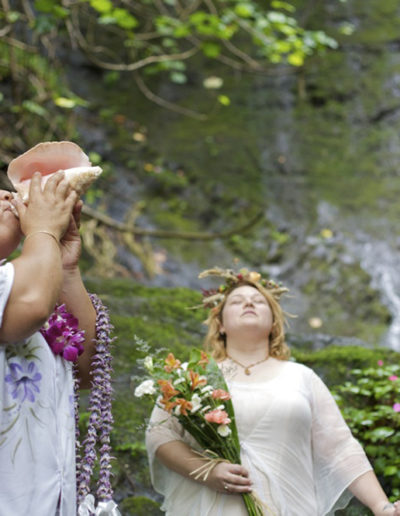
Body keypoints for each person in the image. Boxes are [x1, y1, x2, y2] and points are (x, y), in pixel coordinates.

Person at [145, 268, 400, 515]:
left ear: (274, 323)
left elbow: (340, 448)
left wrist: (382, 507)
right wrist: (206, 472)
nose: (249, 304)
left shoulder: (302, 377)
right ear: (220, 324)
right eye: (237, 301)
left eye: (258, 301)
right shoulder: (193, 375)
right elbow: (159, 435)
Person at [0, 172, 97, 516]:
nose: (5, 197)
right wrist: (43, 232)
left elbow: (86, 371)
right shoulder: (24, 291)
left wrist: (66, 266)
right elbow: (33, 307)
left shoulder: (25, 281)